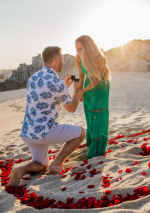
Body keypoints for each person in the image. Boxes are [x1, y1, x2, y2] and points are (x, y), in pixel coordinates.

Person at [8, 46, 85, 186]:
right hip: (44, 132)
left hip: (28, 133)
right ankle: (57, 164)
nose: (63, 61)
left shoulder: (33, 78)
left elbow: (47, 98)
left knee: (41, 164)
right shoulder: (56, 83)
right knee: (81, 133)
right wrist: (77, 90)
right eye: (62, 59)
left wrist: (64, 87)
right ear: (56, 60)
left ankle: (20, 170)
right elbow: (72, 108)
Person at [75, 35, 110, 160]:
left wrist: (82, 91)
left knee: (97, 114)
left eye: (80, 49)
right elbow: (81, 75)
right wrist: (79, 90)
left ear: (88, 47)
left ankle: (97, 148)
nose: (78, 52)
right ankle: (91, 144)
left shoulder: (99, 58)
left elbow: (95, 81)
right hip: (87, 86)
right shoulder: (78, 58)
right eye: (76, 49)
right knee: (89, 114)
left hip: (100, 89)